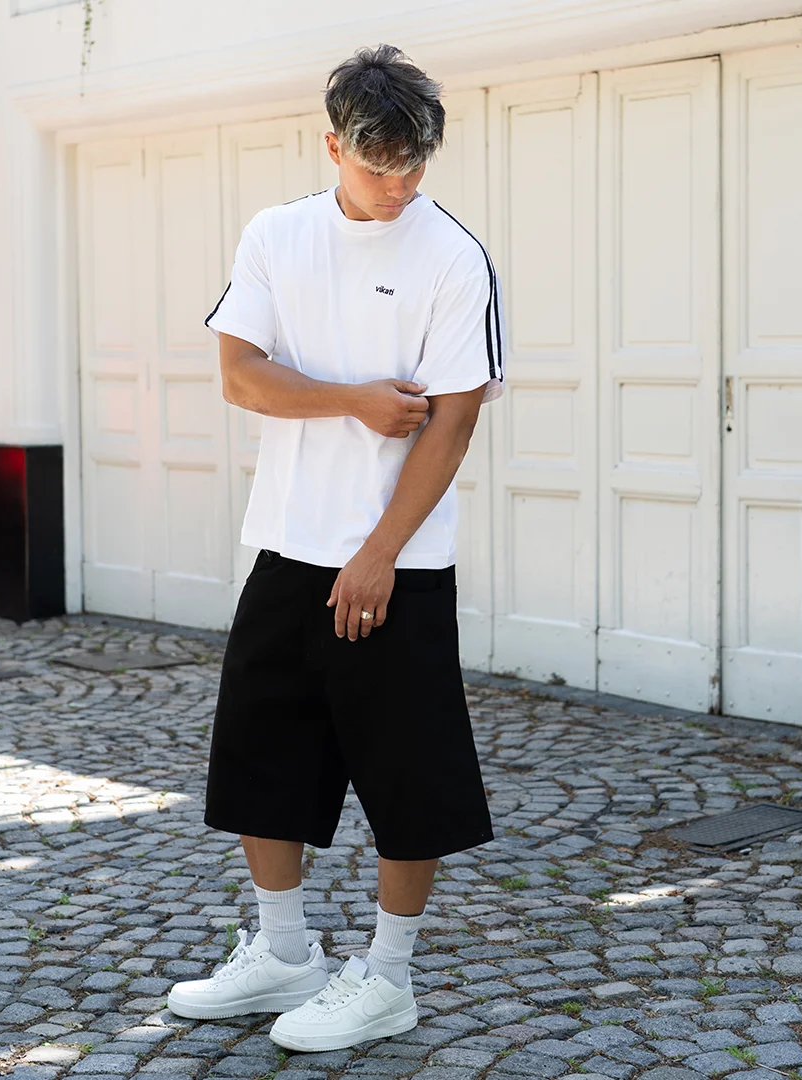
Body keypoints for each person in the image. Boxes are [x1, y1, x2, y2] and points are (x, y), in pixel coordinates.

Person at [165, 43, 503, 1053]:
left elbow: (452, 421)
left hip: (400, 562)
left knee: (409, 776)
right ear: (333, 147)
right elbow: (240, 375)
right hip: (285, 544)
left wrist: (380, 552)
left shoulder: (453, 257)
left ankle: (388, 977)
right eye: (378, 164)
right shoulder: (277, 235)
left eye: (415, 164)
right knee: (262, 757)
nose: (399, 185)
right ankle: (283, 954)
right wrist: (353, 400)